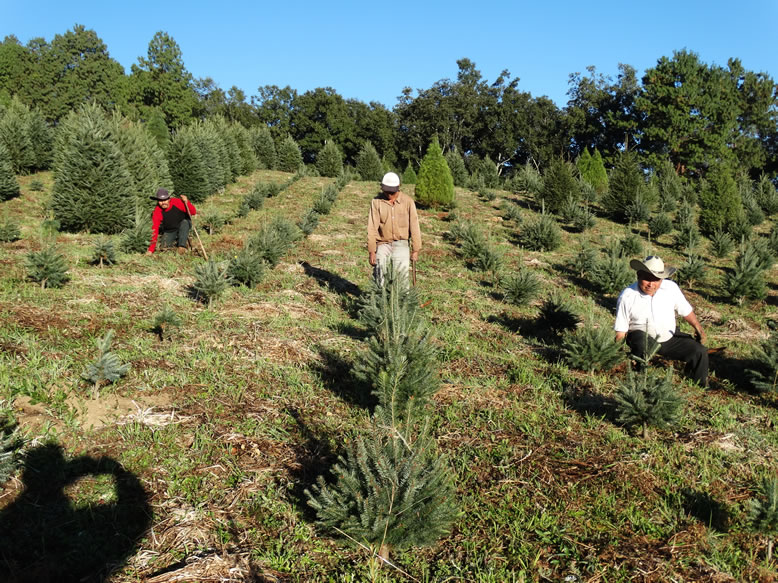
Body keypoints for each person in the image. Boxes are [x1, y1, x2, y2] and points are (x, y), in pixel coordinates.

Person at [614, 255, 708, 386]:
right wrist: (615, 354)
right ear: (638, 275)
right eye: (647, 279)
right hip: (641, 338)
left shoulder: (671, 288)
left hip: (669, 338)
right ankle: (641, 379)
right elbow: (621, 330)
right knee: (641, 342)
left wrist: (698, 328)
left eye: (656, 280)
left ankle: (700, 385)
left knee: (699, 351)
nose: (651, 284)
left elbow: (686, 310)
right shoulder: (627, 296)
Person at [367, 172, 422, 285]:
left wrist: (415, 249)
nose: (389, 195)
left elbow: (414, 226)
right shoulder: (376, 202)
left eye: (392, 192)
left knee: (402, 278)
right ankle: (380, 300)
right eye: (386, 191)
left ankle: (402, 301)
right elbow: (372, 227)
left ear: (398, 188)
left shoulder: (408, 202)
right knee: (379, 274)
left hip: (401, 243)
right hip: (383, 244)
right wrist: (372, 251)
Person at [146, 188, 196, 255]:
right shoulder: (157, 211)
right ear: (157, 201)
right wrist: (150, 250)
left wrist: (187, 202)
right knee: (164, 247)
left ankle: (182, 246)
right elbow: (154, 229)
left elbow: (193, 212)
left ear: (169, 199)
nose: (163, 202)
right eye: (160, 201)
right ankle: (175, 239)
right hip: (170, 229)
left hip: (183, 224)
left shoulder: (177, 202)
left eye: (165, 200)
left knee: (184, 222)